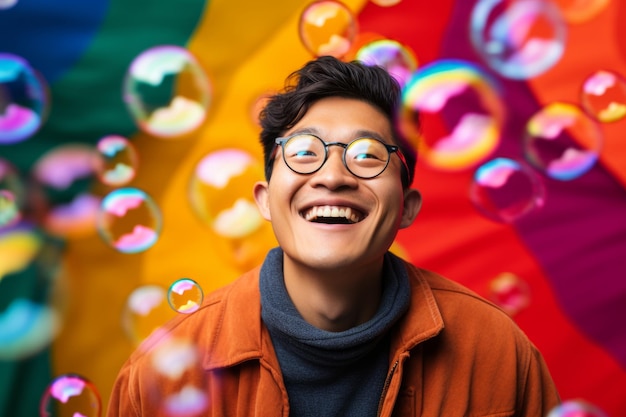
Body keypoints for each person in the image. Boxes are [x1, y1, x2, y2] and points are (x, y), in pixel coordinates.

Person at [107, 55, 560, 416]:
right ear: (264, 199)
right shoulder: (161, 375)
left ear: (407, 207)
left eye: (367, 155)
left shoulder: (499, 352)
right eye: (304, 151)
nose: (333, 175)